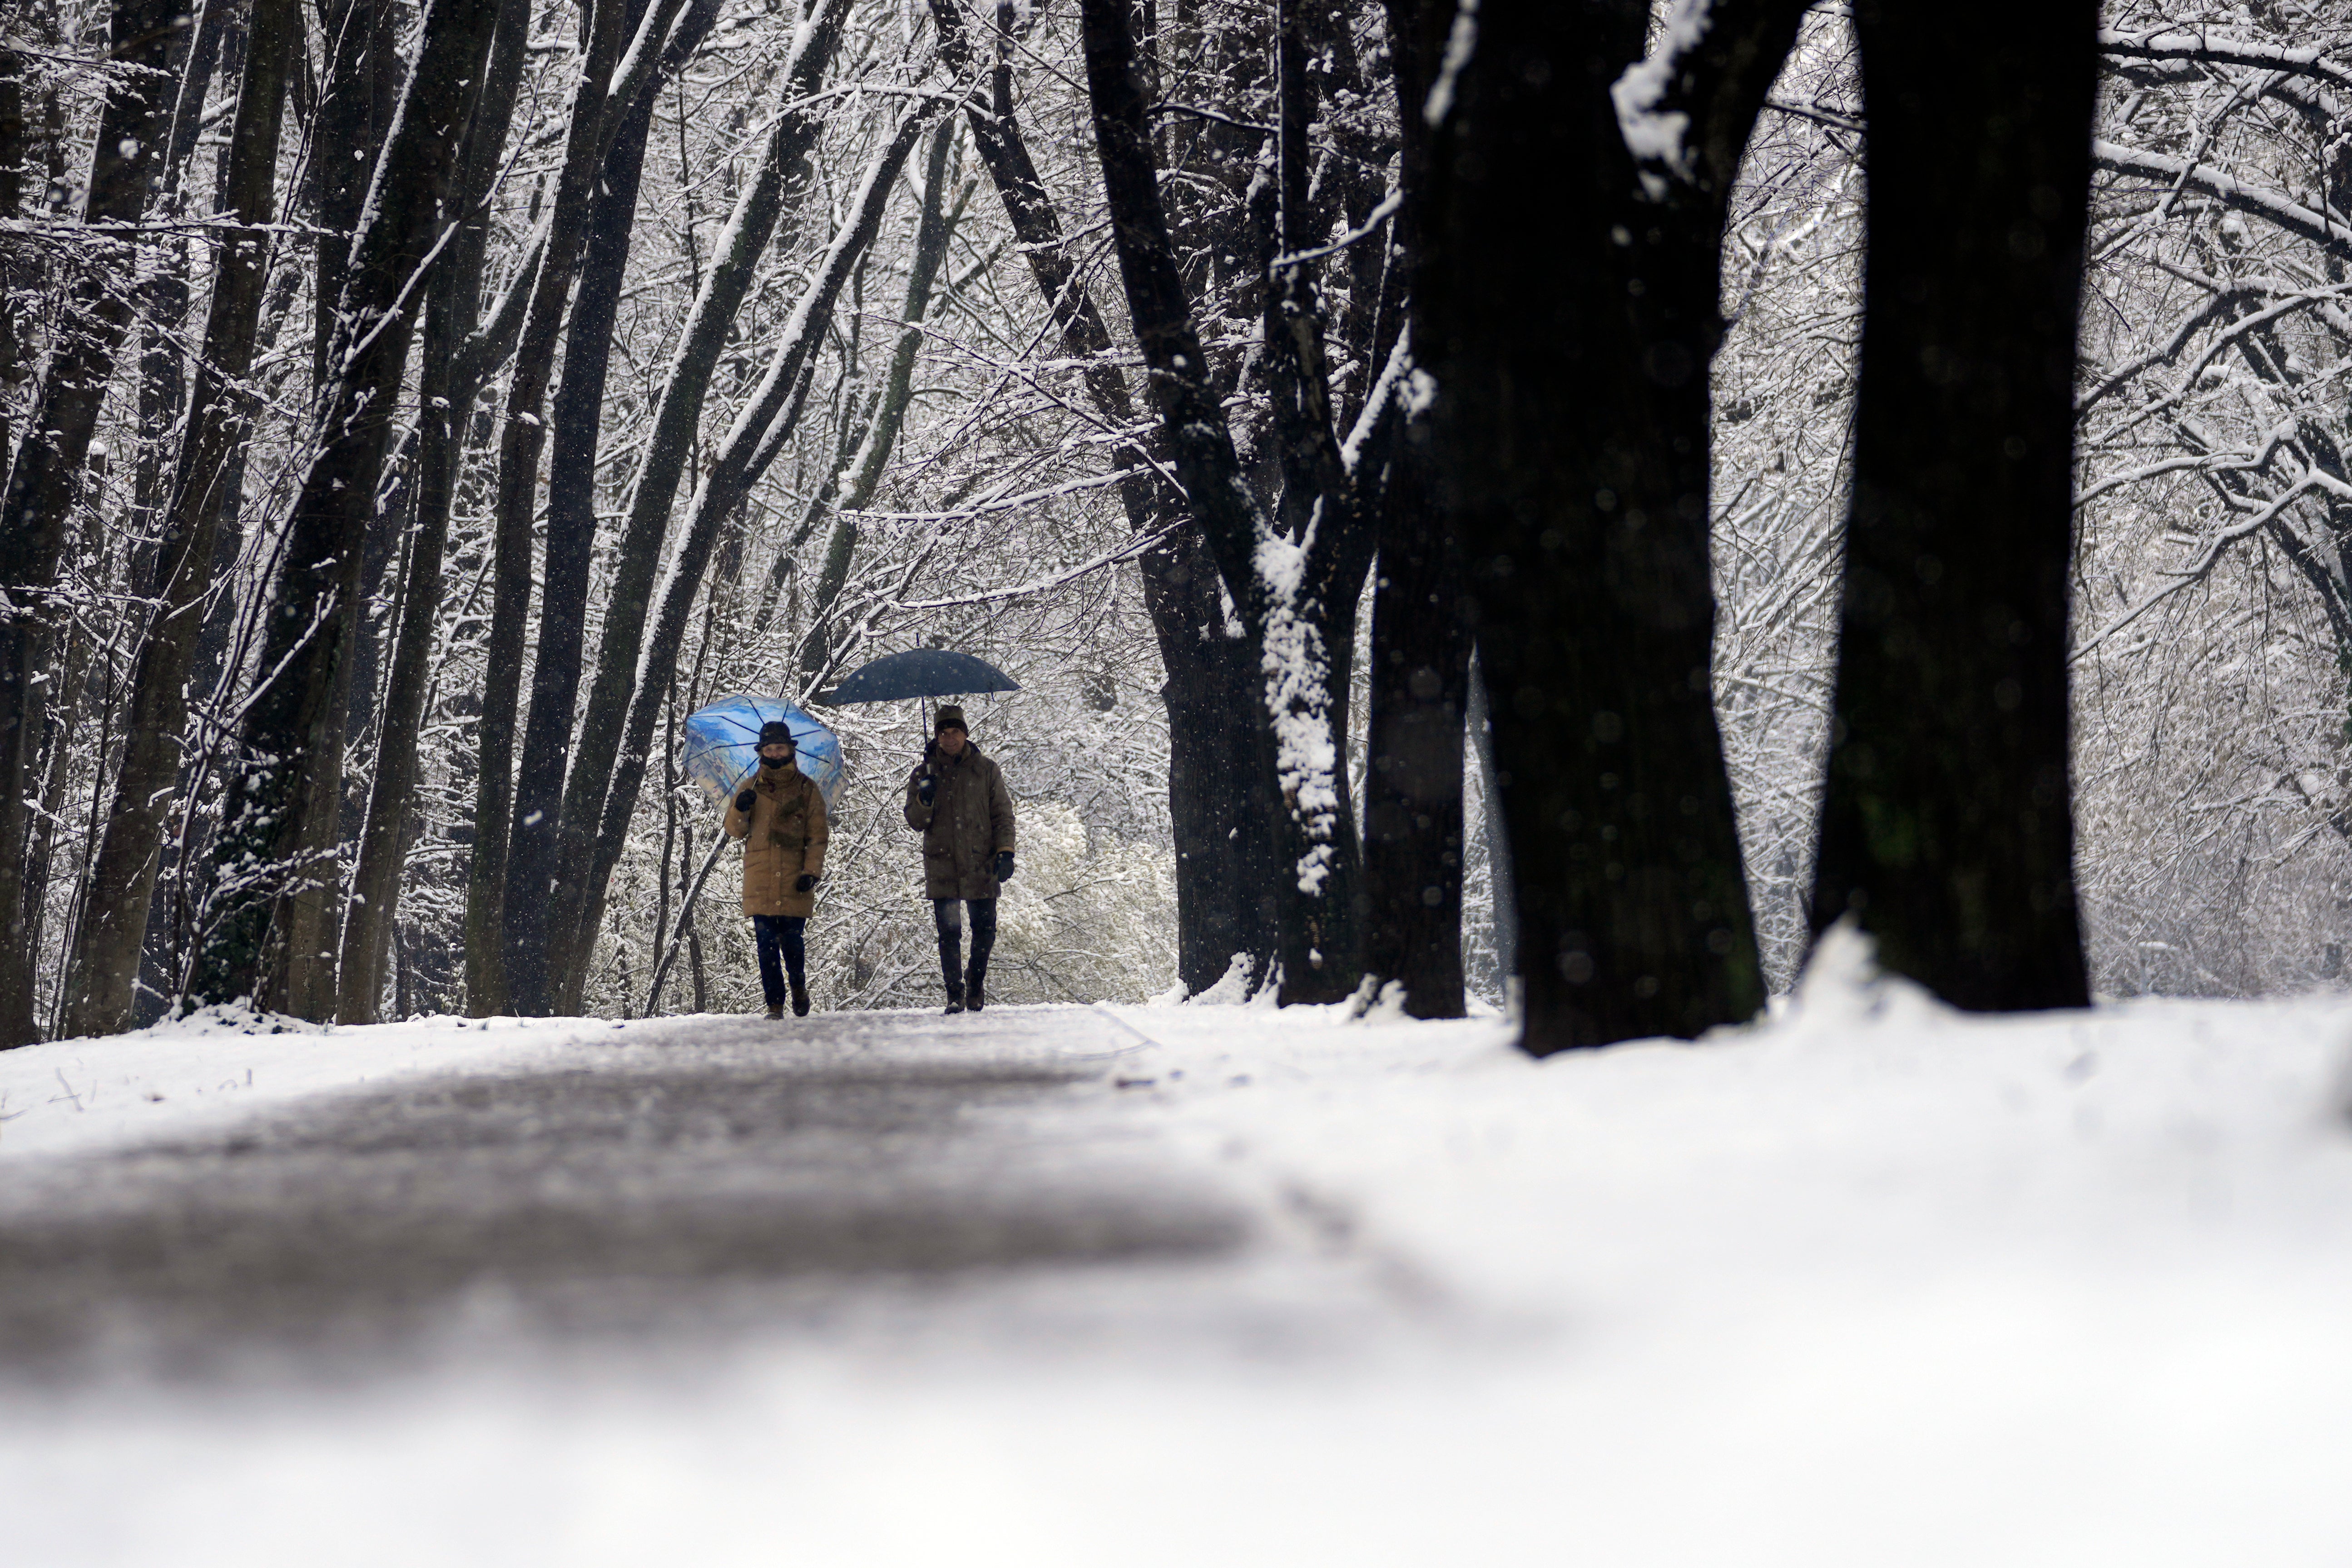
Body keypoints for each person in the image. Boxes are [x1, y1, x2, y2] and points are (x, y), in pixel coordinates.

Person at [902, 705, 1015, 1014]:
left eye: (954, 732)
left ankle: (975, 981)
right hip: (942, 862)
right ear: (937, 736)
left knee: (985, 930)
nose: (949, 738)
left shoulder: (986, 770)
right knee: (949, 933)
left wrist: (1005, 851)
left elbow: (1002, 815)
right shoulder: (923, 773)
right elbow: (915, 821)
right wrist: (926, 799)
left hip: (981, 860)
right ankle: (954, 992)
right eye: (943, 732)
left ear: (965, 733)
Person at [724, 719, 828, 1019]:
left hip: (796, 877)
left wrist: (811, 871)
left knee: (793, 942)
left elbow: (817, 835)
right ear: (762, 752)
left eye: (778, 747)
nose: (773, 753)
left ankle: (798, 986)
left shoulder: (808, 789)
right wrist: (740, 808)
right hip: (761, 876)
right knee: (766, 943)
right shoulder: (750, 787)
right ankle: (774, 1004)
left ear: (789, 749)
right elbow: (734, 830)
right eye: (768, 748)